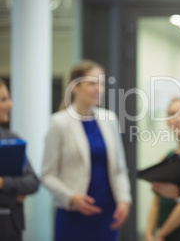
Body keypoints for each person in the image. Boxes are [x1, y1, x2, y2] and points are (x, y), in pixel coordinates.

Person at [41, 60, 131, 241]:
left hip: (108, 212)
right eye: (92, 83)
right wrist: (72, 198)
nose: (99, 89)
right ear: (75, 87)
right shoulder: (59, 123)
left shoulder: (109, 119)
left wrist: (124, 199)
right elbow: (47, 175)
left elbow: (119, 168)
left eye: (102, 83)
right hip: (73, 214)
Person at [145, 99, 180, 241]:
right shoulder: (167, 158)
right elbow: (156, 202)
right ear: (168, 122)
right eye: (172, 114)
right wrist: (149, 234)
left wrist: (161, 234)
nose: (177, 118)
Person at [0, 78, 40, 241]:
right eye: (3, 100)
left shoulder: (12, 139)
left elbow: (33, 182)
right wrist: (13, 196)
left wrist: (3, 183)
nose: (10, 105)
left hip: (12, 228)